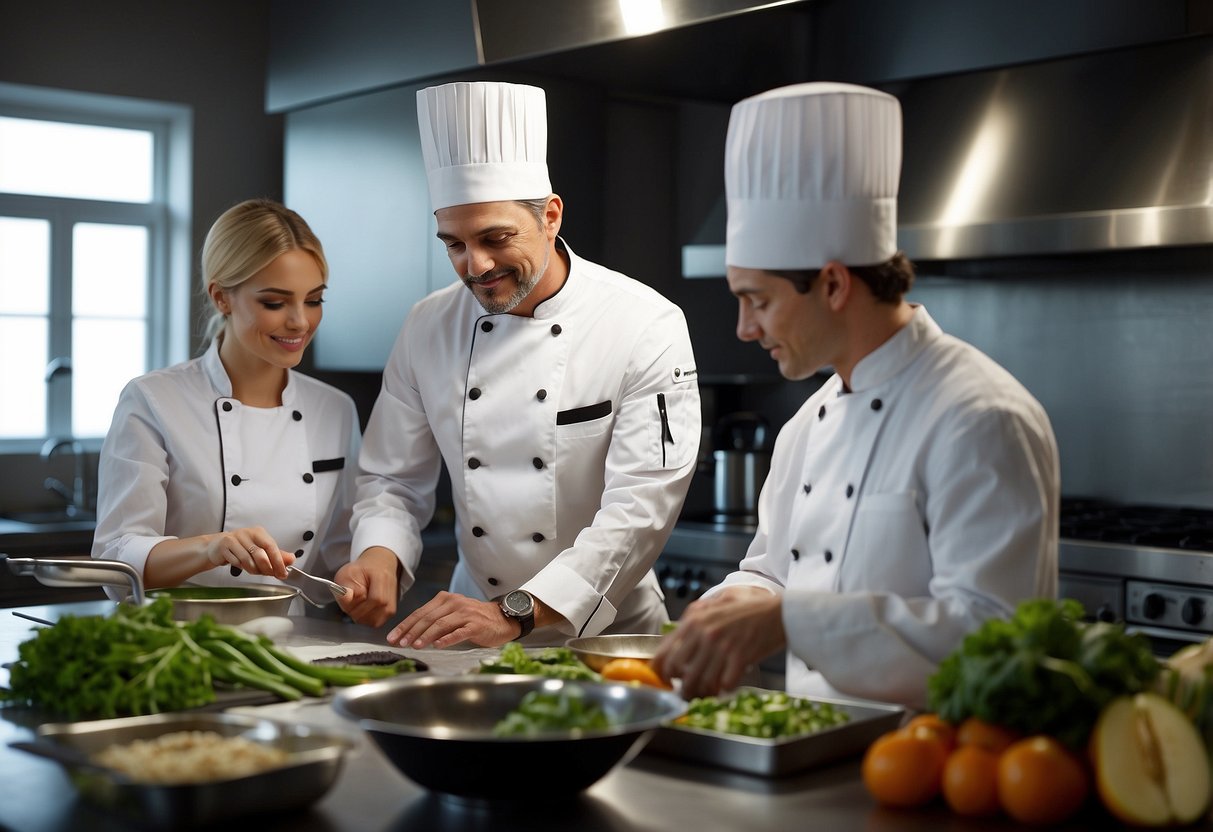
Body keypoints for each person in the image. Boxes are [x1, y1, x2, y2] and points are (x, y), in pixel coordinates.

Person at [651, 83, 1060, 709]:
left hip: (931, 773)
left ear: (835, 284)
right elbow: (773, 572)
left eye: (758, 300)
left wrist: (789, 621)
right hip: (814, 759)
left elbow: (995, 639)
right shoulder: (807, 424)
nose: (745, 328)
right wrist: (724, 617)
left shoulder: (981, 420)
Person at [334, 81, 701, 647]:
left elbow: (640, 509)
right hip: (468, 625)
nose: (474, 264)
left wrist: (516, 613)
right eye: (452, 243)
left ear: (551, 215)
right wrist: (378, 555)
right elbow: (392, 479)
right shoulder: (427, 326)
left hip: (604, 635)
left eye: (495, 237)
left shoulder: (644, 324)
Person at [92, 199, 360, 611]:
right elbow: (115, 558)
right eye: (274, 302)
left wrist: (359, 580)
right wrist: (210, 548)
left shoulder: (335, 409)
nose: (300, 322)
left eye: (314, 300)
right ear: (222, 297)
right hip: (174, 643)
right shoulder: (153, 400)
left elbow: (339, 556)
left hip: (295, 644)